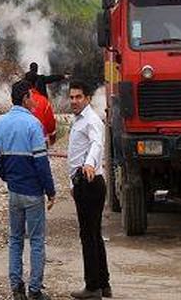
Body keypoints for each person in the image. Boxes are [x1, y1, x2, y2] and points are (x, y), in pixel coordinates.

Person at [0, 80, 57, 300]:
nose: (33, 99)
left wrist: (7, 177)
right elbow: (41, 162)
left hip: (14, 191)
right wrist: (50, 190)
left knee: (15, 239)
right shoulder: (33, 124)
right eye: (31, 95)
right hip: (33, 192)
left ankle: (16, 288)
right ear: (25, 98)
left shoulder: (1, 124)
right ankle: (35, 290)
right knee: (36, 240)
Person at [67, 80, 111, 299]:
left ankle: (92, 287)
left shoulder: (91, 120)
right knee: (94, 234)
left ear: (88, 99)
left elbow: (96, 143)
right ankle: (103, 283)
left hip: (90, 181)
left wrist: (90, 163)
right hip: (82, 182)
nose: (74, 101)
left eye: (79, 97)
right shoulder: (78, 120)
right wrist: (71, 184)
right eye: (72, 97)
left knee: (88, 235)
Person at [28, 77, 58, 146]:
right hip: (40, 141)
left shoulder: (21, 101)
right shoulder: (43, 100)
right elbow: (50, 123)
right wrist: (52, 137)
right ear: (36, 85)